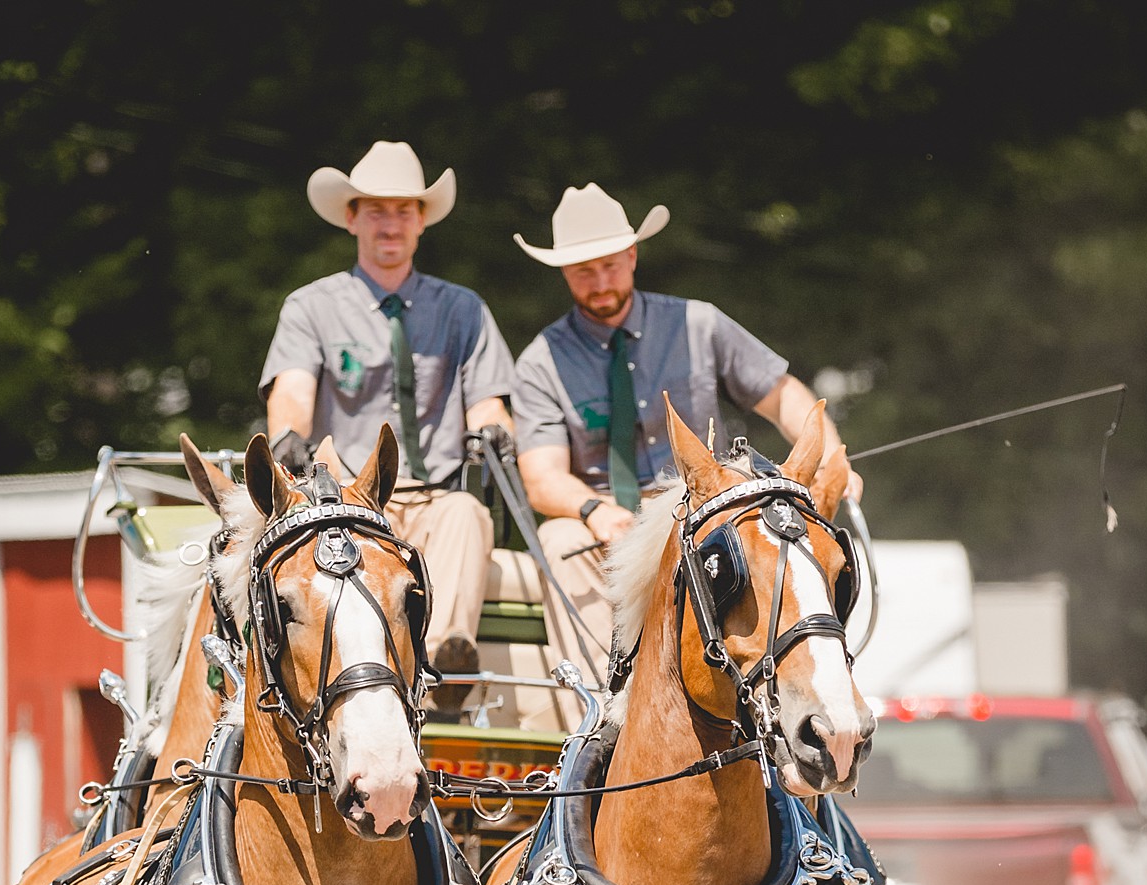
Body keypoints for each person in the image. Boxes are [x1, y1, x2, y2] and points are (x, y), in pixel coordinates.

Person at [510, 182, 862, 673]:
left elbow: (781, 394)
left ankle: (774, 686)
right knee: (560, 541)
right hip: (600, 520)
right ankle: (599, 706)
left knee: (769, 529)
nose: (599, 281)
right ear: (564, 272)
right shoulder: (540, 362)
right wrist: (592, 510)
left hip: (700, 505)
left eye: (610, 264)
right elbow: (541, 478)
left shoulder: (699, 324)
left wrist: (829, 457)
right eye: (583, 271)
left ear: (632, 255)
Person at [260, 140, 515, 680]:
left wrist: (493, 430)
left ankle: (443, 665)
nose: (390, 224)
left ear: (422, 221)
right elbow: (291, 392)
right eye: (376, 210)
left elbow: (488, 401)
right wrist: (287, 435)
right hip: (348, 504)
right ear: (351, 218)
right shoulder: (311, 307)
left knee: (468, 514)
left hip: (435, 502)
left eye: (404, 211)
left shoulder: (463, 309)